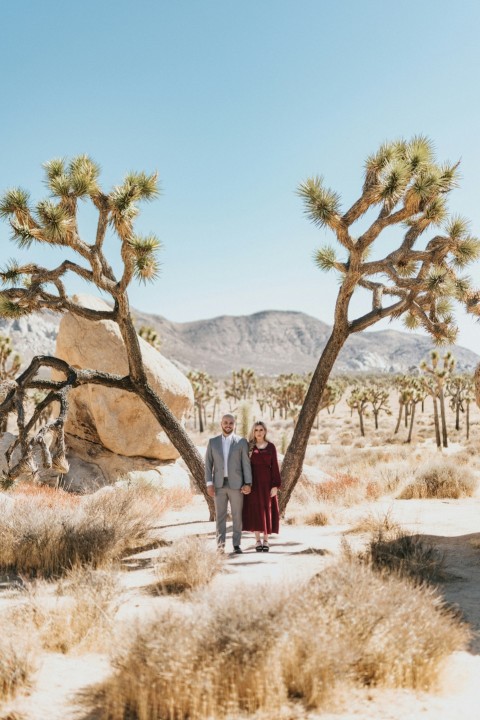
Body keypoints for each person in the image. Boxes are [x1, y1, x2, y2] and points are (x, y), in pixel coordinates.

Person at [205, 413, 252, 554]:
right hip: (218, 485)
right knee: (220, 516)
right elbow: (208, 464)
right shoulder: (212, 442)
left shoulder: (241, 442)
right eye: (225, 422)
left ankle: (237, 544)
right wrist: (209, 483)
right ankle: (220, 545)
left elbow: (246, 464)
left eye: (231, 423)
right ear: (221, 424)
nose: (228, 425)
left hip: (237, 485)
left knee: (237, 515)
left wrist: (248, 483)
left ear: (234, 425)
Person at [242, 421, 281, 552]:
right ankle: (257, 541)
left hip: (268, 483)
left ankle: (266, 540)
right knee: (255, 510)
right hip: (253, 483)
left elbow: (275, 466)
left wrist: (275, 485)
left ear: (265, 431)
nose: (258, 432)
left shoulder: (271, 447)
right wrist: (246, 483)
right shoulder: (249, 447)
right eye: (256, 430)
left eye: (261, 430)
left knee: (267, 509)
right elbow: (245, 466)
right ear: (253, 432)